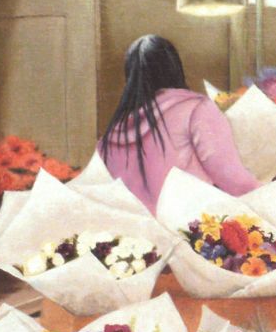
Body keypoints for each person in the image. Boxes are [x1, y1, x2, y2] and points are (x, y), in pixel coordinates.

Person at [97, 34, 260, 213]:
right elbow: (235, 182)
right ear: (175, 68)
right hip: (191, 232)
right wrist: (270, 193)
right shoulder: (196, 109)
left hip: (135, 237)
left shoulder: (109, 138)